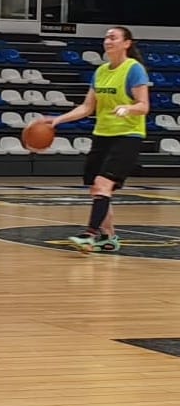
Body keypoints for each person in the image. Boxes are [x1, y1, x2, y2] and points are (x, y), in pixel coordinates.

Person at [46, 26, 149, 253]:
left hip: (127, 136)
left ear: (126, 43)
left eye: (113, 37)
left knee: (103, 185)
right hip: (102, 135)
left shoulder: (134, 69)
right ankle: (108, 237)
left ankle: (90, 235)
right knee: (98, 189)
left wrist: (128, 109)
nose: (107, 41)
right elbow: (86, 107)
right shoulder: (101, 71)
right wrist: (57, 120)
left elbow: (144, 105)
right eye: (106, 37)